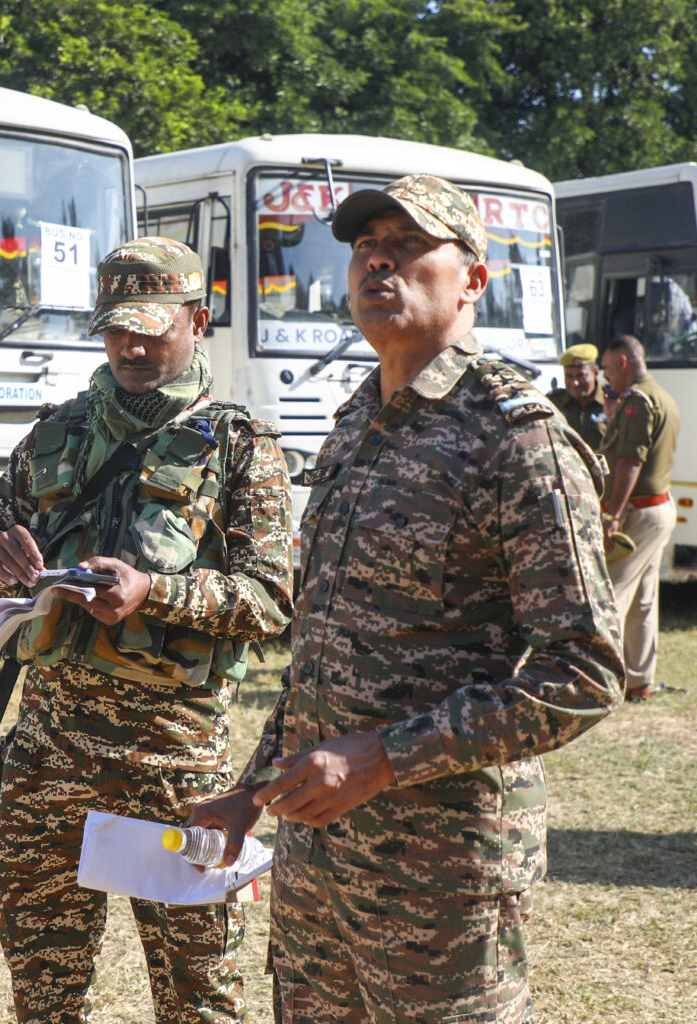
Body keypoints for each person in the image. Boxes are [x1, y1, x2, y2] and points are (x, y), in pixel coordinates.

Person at [190, 175, 625, 1023]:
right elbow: (326, 650)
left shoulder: (515, 437)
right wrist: (254, 792)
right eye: (363, 246)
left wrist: (385, 756)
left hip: (441, 874)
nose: (378, 258)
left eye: (410, 243)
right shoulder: (357, 421)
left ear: (473, 279)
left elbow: (586, 672)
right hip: (318, 860)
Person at [0, 236, 294, 1024]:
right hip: (47, 760)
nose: (132, 346)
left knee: (197, 997)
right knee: (42, 993)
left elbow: (273, 598)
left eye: (151, 327)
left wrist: (156, 594)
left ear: (198, 319)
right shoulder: (54, 434)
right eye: (115, 329)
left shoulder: (242, 448)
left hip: (174, 767)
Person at [599, 334, 680, 702]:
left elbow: (630, 461)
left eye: (606, 367)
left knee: (609, 596)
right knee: (644, 602)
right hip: (659, 509)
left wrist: (612, 514)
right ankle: (638, 682)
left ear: (623, 362)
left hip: (640, 514)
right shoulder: (660, 395)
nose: (605, 376)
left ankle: (596, 682)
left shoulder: (637, 401)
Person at [547, 342, 606, 449]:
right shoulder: (553, 403)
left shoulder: (611, 401)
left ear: (596, 372)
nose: (575, 383)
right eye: (569, 376)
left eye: (581, 376)